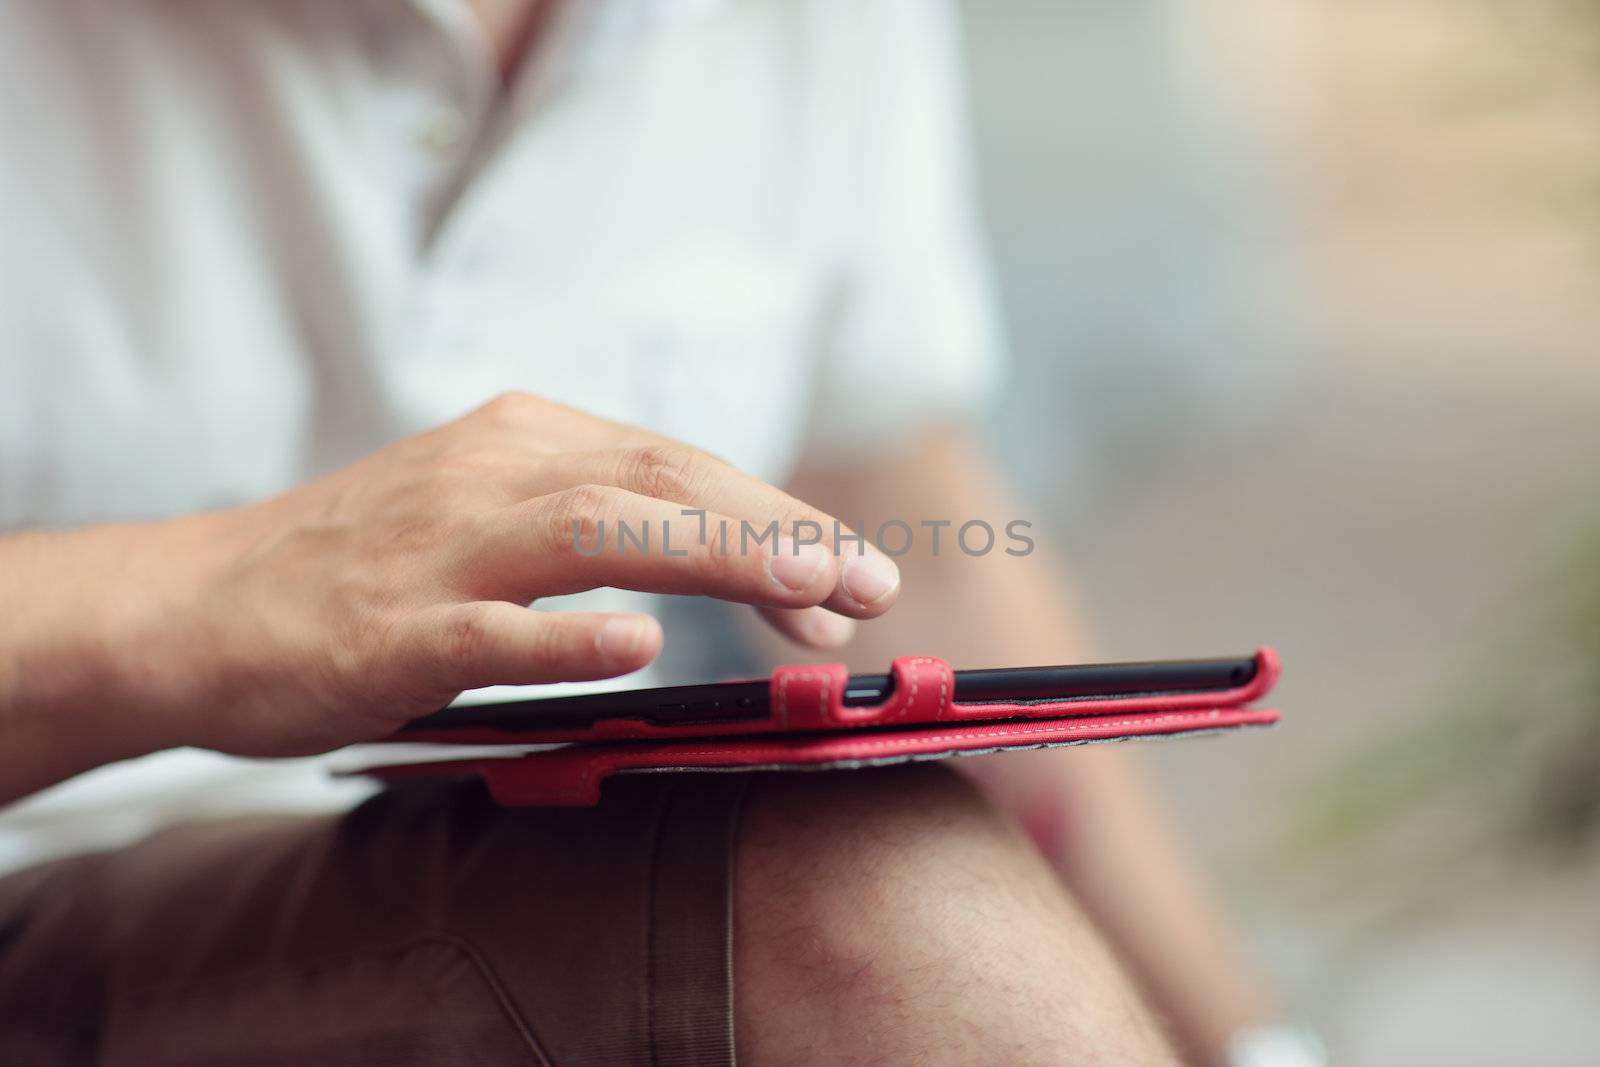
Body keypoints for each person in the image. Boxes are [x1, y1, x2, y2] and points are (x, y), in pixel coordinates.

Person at [0, 1, 1304, 1063]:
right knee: (875, 912)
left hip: (440, 860)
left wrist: (1248, 1047)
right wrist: (190, 599)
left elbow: (895, 501)